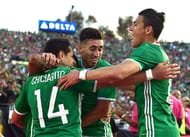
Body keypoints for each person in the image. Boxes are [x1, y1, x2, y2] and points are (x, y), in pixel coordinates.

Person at [57, 8, 180, 137]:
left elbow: (118, 73)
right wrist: (151, 74)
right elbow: (123, 81)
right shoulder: (156, 52)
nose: (130, 29)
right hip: (162, 127)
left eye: (135, 24)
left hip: (156, 129)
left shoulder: (147, 49)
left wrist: (80, 75)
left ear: (148, 30)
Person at [11, 38, 102, 137]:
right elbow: (106, 80)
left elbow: (15, 119)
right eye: (71, 57)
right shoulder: (71, 74)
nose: (74, 62)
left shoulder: (31, 80)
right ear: (62, 55)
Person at [76, 27, 116, 137]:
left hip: (97, 133)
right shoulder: (72, 65)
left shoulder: (107, 70)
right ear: (80, 48)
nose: (97, 54)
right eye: (92, 49)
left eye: (100, 49)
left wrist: (75, 127)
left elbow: (102, 110)